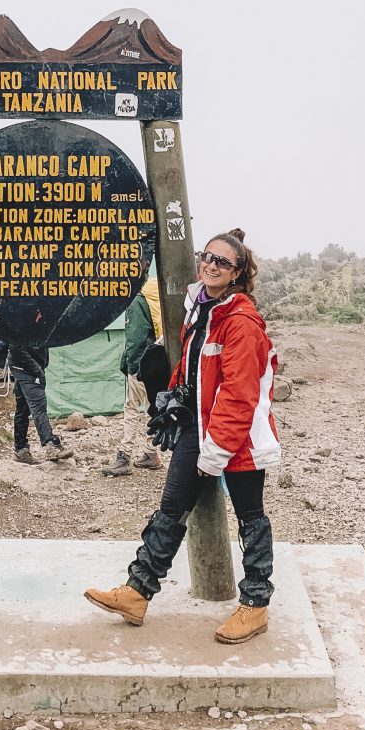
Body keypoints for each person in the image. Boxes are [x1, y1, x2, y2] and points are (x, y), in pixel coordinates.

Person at [84, 229, 281, 645]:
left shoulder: (241, 321)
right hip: (198, 425)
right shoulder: (201, 309)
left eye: (222, 262)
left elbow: (240, 392)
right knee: (170, 509)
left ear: (238, 272)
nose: (210, 264)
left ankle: (256, 605)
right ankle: (137, 592)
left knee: (251, 517)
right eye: (206, 256)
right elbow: (194, 368)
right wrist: (171, 396)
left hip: (238, 436)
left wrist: (219, 449)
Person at [102, 278, 163, 477]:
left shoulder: (136, 302)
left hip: (141, 365)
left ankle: (124, 456)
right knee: (150, 408)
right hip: (157, 362)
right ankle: (150, 453)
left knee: (132, 409)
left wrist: (131, 367)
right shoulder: (154, 295)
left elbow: (135, 339)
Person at [9, 342, 74, 464]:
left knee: (22, 409)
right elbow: (15, 346)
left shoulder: (35, 323)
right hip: (27, 369)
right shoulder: (24, 323)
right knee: (38, 406)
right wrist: (36, 369)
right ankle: (50, 445)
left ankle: (20, 450)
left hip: (22, 366)